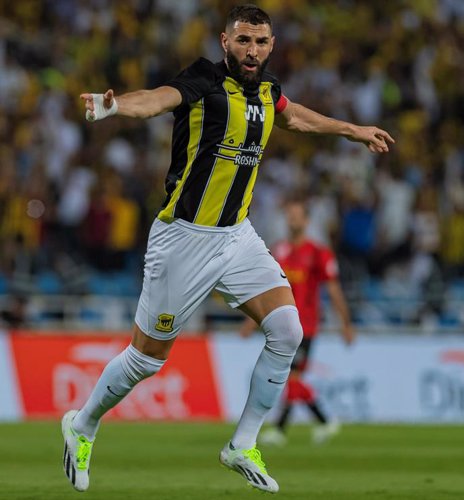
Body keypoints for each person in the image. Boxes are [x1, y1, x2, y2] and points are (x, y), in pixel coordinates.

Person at [62, 4, 393, 494]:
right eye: (243, 41)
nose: (252, 50)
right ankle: (83, 423)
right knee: (148, 359)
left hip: (237, 236)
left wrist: (352, 130)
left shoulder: (267, 91)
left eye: (260, 42)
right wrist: (115, 106)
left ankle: (243, 443)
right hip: (184, 237)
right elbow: (156, 98)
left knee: (287, 329)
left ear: (271, 45)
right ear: (225, 42)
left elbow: (294, 117)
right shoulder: (203, 81)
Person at [239, 195, 355, 446]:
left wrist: (346, 324)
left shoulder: (318, 253)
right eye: (289, 215)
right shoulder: (279, 250)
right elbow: (266, 288)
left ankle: (321, 421)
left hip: (307, 326)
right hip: (282, 325)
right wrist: (251, 322)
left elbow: (333, 290)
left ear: (306, 220)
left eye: (296, 215)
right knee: (289, 376)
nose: (292, 219)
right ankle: (290, 428)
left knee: (292, 377)